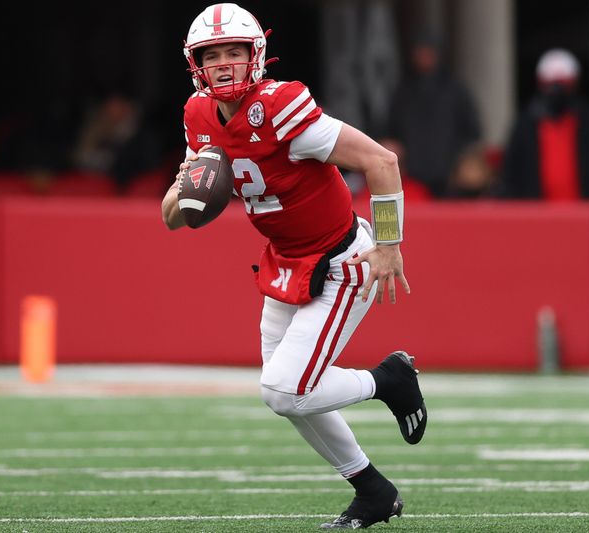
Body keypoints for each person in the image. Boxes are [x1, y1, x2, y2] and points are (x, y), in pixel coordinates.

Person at [161, 4, 427, 529]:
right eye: (212, 55)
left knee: (284, 390)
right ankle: (371, 490)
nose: (224, 64)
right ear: (196, 64)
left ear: (255, 54)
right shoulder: (197, 114)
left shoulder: (281, 106)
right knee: (291, 394)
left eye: (234, 51)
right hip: (284, 262)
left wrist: (391, 245)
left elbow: (382, 161)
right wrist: (183, 198)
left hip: (340, 259)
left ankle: (387, 380)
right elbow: (175, 217)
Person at [383, 36, 481, 198]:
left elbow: (472, 131)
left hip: (448, 176)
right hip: (411, 175)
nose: (424, 57)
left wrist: (459, 161)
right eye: (420, 52)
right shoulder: (403, 91)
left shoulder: (455, 90)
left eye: (428, 52)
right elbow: (390, 131)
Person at [503, 48, 589, 200]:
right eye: (550, 84)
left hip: (582, 211)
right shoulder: (526, 124)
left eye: (564, 83)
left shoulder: (588, 121)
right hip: (538, 214)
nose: (557, 91)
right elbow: (512, 172)